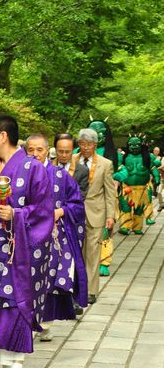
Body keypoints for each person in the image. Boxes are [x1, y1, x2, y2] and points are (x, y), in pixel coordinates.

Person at [0, 119, 54, 368]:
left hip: (23, 252)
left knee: (17, 303)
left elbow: (44, 209)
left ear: (3, 136)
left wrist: (16, 214)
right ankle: (4, 365)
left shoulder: (33, 167)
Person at [26, 134, 87, 335]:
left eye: (39, 150)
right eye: (30, 150)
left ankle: (45, 322)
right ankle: (27, 319)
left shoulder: (60, 176)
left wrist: (60, 212)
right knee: (26, 277)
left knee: (49, 277)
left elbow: (77, 204)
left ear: (46, 151)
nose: (35, 154)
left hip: (53, 236)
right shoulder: (18, 174)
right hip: (25, 235)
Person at [76, 129, 115, 304]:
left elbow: (110, 191)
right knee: (77, 251)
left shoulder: (105, 164)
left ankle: (91, 291)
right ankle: (76, 287)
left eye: (89, 144)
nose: (85, 147)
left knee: (93, 253)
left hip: (96, 213)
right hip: (75, 213)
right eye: (82, 144)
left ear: (95, 145)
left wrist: (111, 215)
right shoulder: (72, 160)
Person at [114, 136, 160, 234]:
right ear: (128, 145)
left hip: (142, 189)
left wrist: (157, 177)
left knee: (139, 209)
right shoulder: (124, 157)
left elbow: (153, 169)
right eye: (131, 145)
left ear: (141, 145)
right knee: (125, 207)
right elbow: (117, 169)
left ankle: (137, 227)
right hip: (127, 187)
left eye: (137, 144)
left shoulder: (148, 157)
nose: (134, 147)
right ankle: (125, 227)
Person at [53, 133, 89, 199]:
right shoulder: (46, 168)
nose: (64, 155)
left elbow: (80, 196)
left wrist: (64, 209)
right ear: (55, 150)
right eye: (60, 151)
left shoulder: (83, 171)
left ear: (73, 150)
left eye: (67, 152)